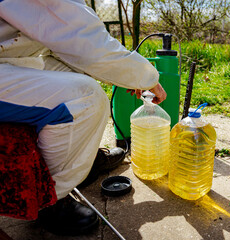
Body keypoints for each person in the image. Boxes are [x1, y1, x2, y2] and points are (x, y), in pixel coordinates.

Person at [0, 0, 166, 235]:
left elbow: (61, 40)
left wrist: (124, 75)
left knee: (74, 73)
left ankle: (82, 159)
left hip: (12, 56)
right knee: (85, 99)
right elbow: (77, 34)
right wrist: (146, 76)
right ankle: (50, 198)